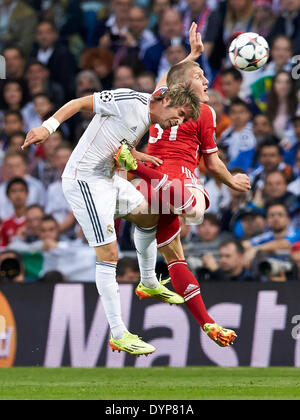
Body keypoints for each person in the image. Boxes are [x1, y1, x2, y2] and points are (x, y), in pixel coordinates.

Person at [21, 25, 203, 357]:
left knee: (150, 214)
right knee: (109, 256)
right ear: (166, 102)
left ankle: (148, 281)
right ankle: (119, 333)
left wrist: (191, 57)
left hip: (109, 178)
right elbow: (78, 102)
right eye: (181, 114)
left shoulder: (155, 108)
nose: (180, 121)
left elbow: (169, 86)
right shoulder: (126, 100)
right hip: (85, 181)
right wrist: (47, 127)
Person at [116, 25, 250, 347]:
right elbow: (214, 163)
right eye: (200, 75)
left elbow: (167, 80)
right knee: (196, 208)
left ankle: (208, 324)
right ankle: (132, 175)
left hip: (149, 181)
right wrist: (233, 181)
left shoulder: (158, 98)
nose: (206, 81)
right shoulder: (205, 112)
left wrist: (192, 57)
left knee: (174, 256)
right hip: (176, 180)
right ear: (185, 83)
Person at [0, 177, 28, 247]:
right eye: (14, 191)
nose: (18, 194)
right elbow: (3, 248)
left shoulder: (34, 221)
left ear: (27, 194)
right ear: (8, 196)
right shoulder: (5, 224)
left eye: (21, 190)